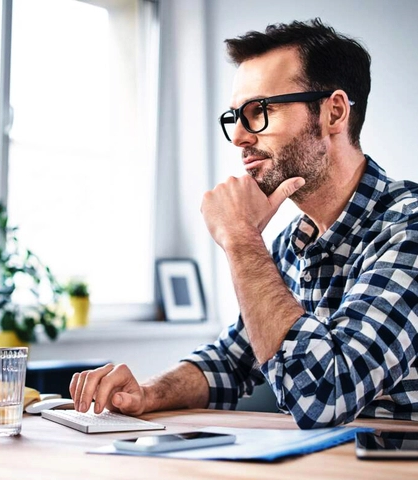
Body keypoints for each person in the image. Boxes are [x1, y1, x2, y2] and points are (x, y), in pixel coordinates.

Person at [69, 18, 418, 429]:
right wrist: (148, 393)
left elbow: (326, 394)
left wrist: (239, 237)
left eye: (259, 111)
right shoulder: (294, 242)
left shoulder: (406, 228)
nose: (238, 136)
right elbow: (232, 360)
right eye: (236, 115)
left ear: (334, 112)